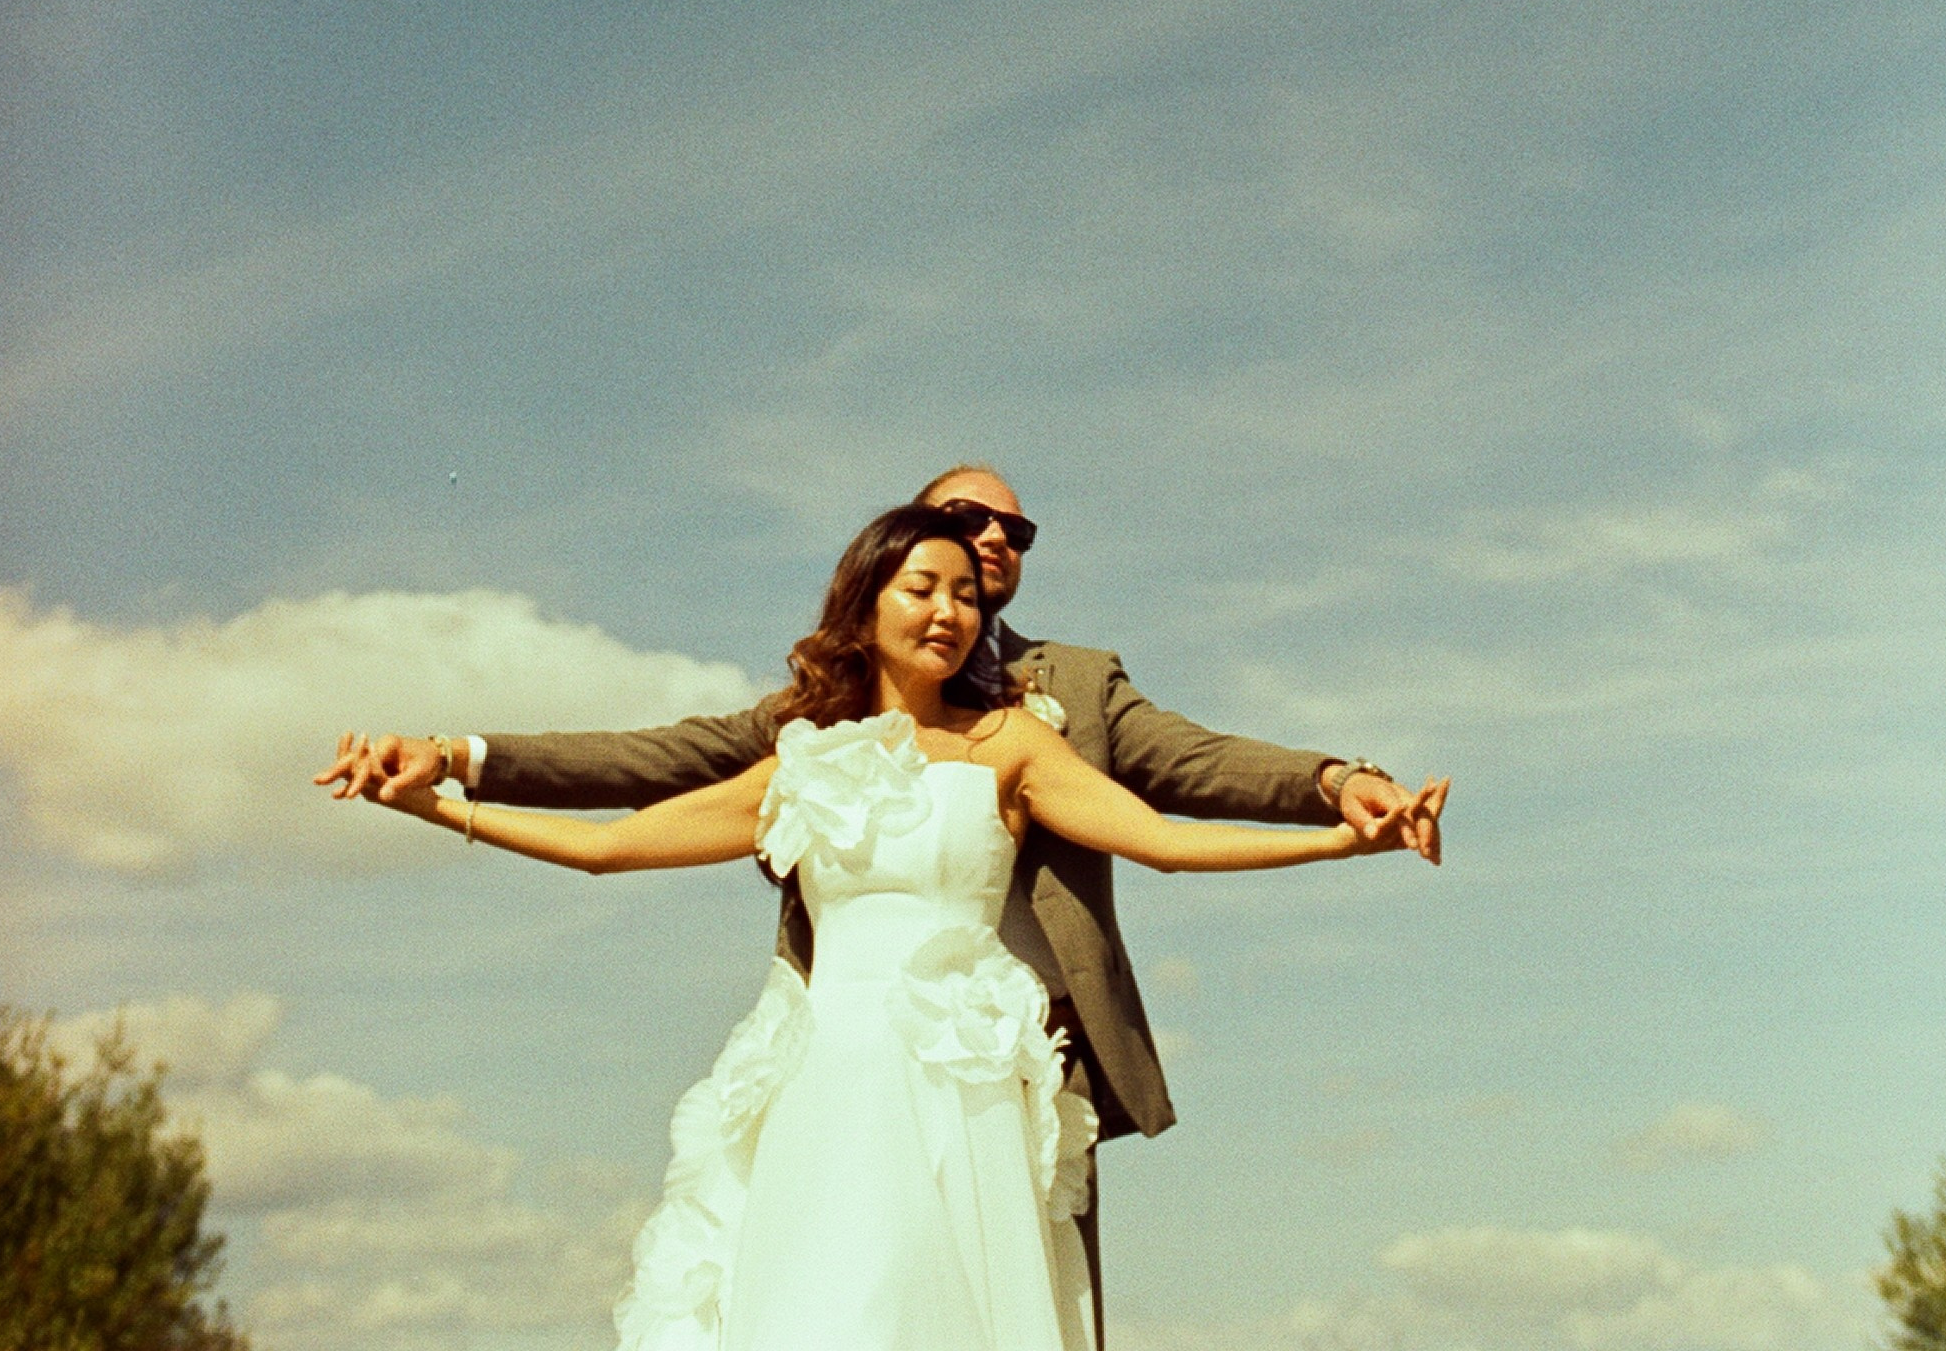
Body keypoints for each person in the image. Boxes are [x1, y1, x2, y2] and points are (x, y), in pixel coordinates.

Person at [319, 465, 1448, 1338]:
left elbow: (1166, 823)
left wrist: (1341, 831)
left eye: (984, 568)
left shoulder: (1030, 725)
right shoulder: (803, 749)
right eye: (932, 572)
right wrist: (439, 794)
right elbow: (615, 837)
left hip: (989, 1073)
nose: (961, 589)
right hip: (832, 1080)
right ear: (868, 601)